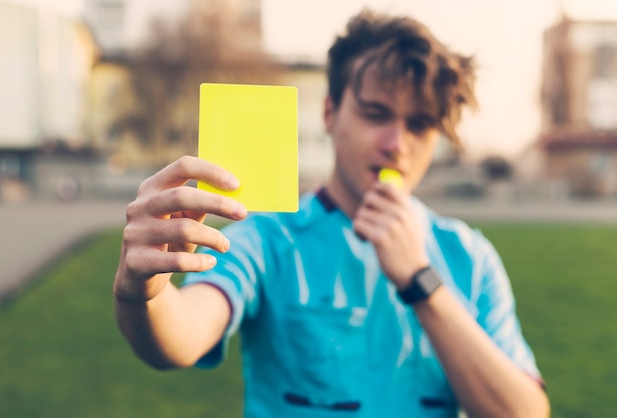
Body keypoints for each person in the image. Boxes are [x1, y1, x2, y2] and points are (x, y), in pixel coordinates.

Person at [113, 9, 550, 417]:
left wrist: (420, 280)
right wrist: (145, 288)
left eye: (419, 125)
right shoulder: (267, 237)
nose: (397, 143)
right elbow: (180, 337)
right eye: (376, 114)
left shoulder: (469, 255)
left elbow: (525, 411)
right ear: (330, 113)